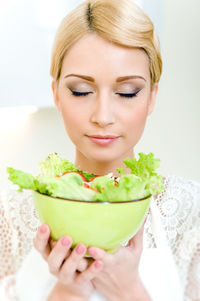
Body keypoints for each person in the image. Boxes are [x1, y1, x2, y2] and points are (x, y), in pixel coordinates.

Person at [0, 0, 200, 300]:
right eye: (81, 91)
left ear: (151, 97)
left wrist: (130, 291)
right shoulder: (12, 217)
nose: (103, 115)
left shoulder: (189, 213)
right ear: (56, 93)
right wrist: (67, 292)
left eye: (127, 92)